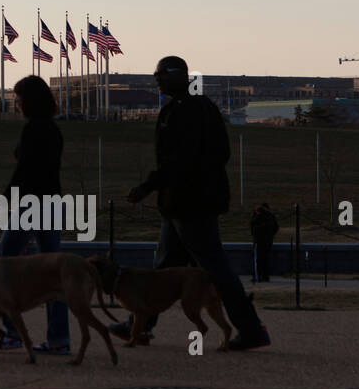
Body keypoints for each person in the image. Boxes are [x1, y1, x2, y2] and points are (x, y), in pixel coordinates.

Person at [115, 56, 270, 350]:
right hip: (184, 202)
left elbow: (179, 160)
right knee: (163, 269)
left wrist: (148, 186)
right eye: (155, 74)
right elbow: (219, 153)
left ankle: (251, 329)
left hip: (190, 202)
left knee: (215, 269)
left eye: (161, 74)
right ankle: (140, 325)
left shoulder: (185, 111)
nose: (156, 79)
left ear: (180, 75)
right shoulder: (200, 108)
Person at [0, 75, 70, 354]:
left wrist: (5, 200)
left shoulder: (32, 130)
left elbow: (23, 172)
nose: (16, 104)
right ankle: (59, 338)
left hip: (31, 205)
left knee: (3, 266)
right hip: (51, 202)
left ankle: (13, 331)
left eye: (18, 99)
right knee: (54, 273)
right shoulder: (53, 130)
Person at [250, 203, 279, 283]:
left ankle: (257, 277)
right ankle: (265, 277)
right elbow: (276, 227)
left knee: (258, 260)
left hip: (259, 241)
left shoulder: (257, 217)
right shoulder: (271, 216)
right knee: (265, 260)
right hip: (268, 241)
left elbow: (253, 227)